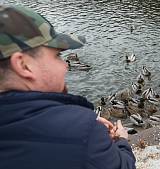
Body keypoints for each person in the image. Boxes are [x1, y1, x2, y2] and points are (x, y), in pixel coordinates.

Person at [0, 5, 136, 169]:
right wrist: (119, 140)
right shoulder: (84, 134)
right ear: (24, 65)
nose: (65, 66)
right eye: (57, 55)